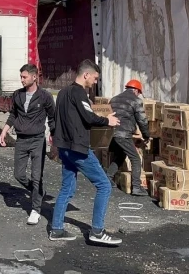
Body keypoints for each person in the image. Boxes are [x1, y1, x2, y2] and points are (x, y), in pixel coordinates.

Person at [50, 59, 121, 245]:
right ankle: (97, 231)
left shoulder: (63, 93)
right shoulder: (79, 92)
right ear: (86, 74)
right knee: (104, 185)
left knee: (67, 188)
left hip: (64, 148)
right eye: (95, 78)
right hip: (78, 148)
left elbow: (63, 118)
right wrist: (108, 122)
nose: (95, 82)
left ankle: (56, 229)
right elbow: (88, 117)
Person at [0, 64, 55, 225]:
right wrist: (4, 131)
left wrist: (54, 136)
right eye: (21, 77)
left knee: (37, 176)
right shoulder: (17, 95)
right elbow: (13, 115)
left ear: (34, 77)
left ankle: (35, 209)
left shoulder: (44, 96)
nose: (21, 79)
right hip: (21, 140)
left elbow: (52, 117)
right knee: (19, 175)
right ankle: (39, 193)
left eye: (24, 77)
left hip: (38, 140)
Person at [106, 79, 151, 196]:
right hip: (123, 134)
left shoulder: (114, 99)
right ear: (136, 90)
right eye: (139, 92)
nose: (139, 94)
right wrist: (146, 135)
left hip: (111, 133)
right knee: (135, 158)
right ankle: (136, 187)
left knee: (120, 155)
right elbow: (142, 120)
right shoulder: (136, 100)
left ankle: (108, 178)